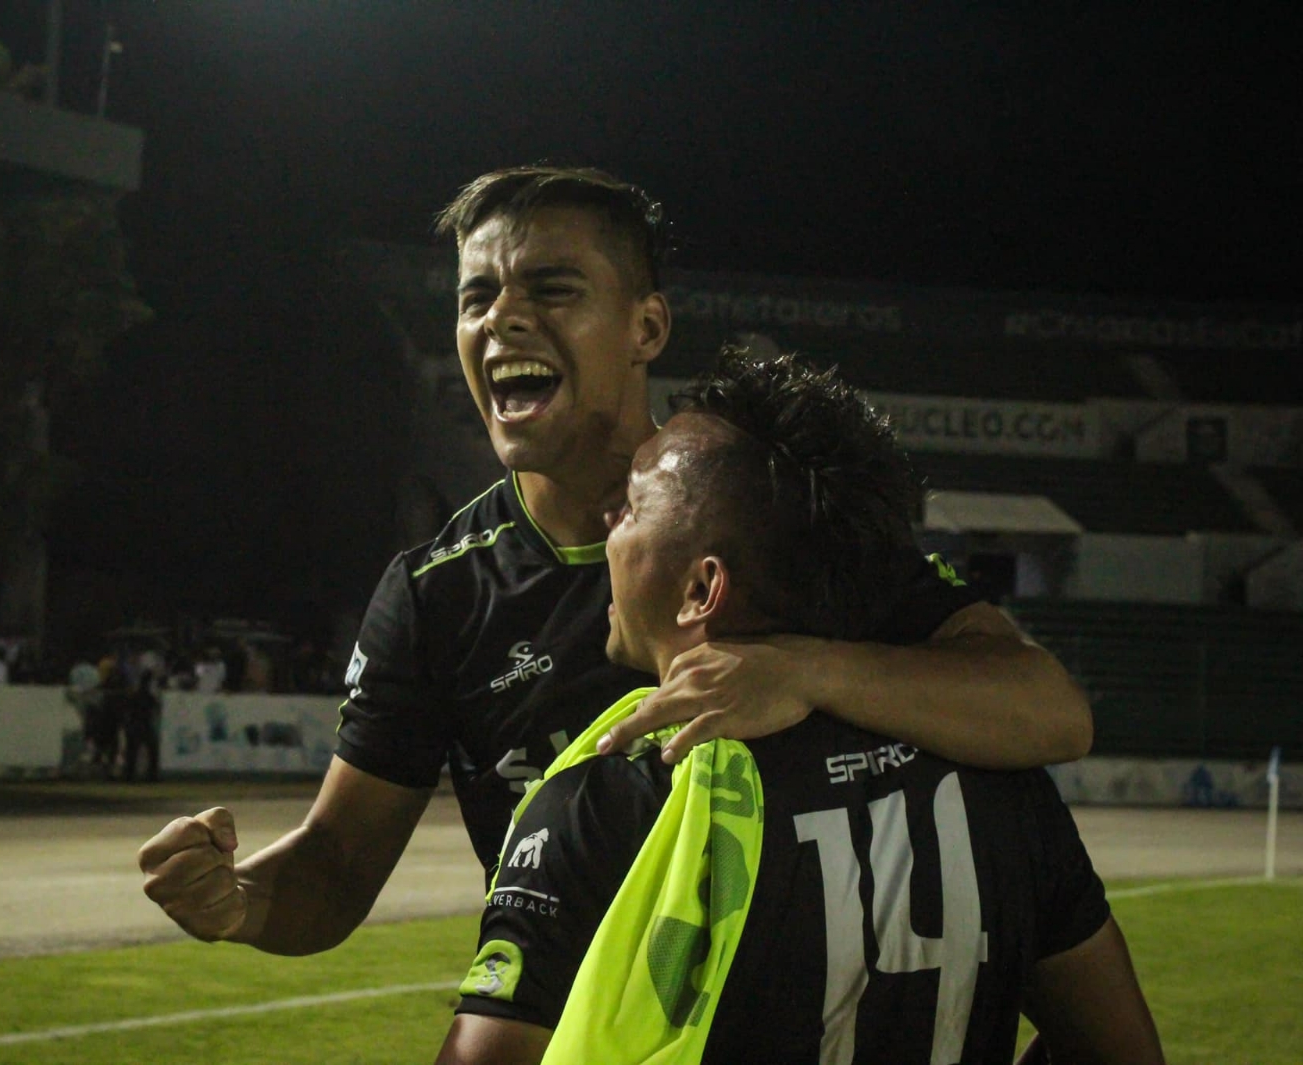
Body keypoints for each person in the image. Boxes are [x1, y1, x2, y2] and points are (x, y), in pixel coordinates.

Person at [138, 166, 1092, 958]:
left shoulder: (765, 508)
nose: (501, 318)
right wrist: (241, 901)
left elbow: (1048, 706)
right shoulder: (437, 592)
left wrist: (805, 667)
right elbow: (336, 868)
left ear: (647, 327)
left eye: (551, 288)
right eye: (477, 296)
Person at [437, 351, 1161, 1064]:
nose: (606, 515)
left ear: (701, 589)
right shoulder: (1002, 782)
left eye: (628, 507)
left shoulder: (606, 798)